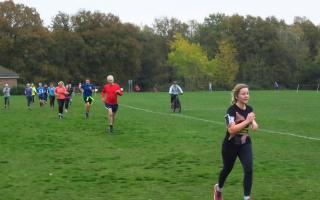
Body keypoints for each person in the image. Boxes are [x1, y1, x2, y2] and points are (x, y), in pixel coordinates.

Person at [213, 83, 258, 200]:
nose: (246, 95)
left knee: (249, 169)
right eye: (243, 93)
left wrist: (252, 122)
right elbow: (231, 129)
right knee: (227, 169)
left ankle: (246, 197)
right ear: (237, 96)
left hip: (245, 143)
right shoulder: (231, 110)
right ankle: (218, 188)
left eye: (247, 93)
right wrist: (247, 120)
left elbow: (255, 127)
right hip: (230, 145)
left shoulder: (249, 109)